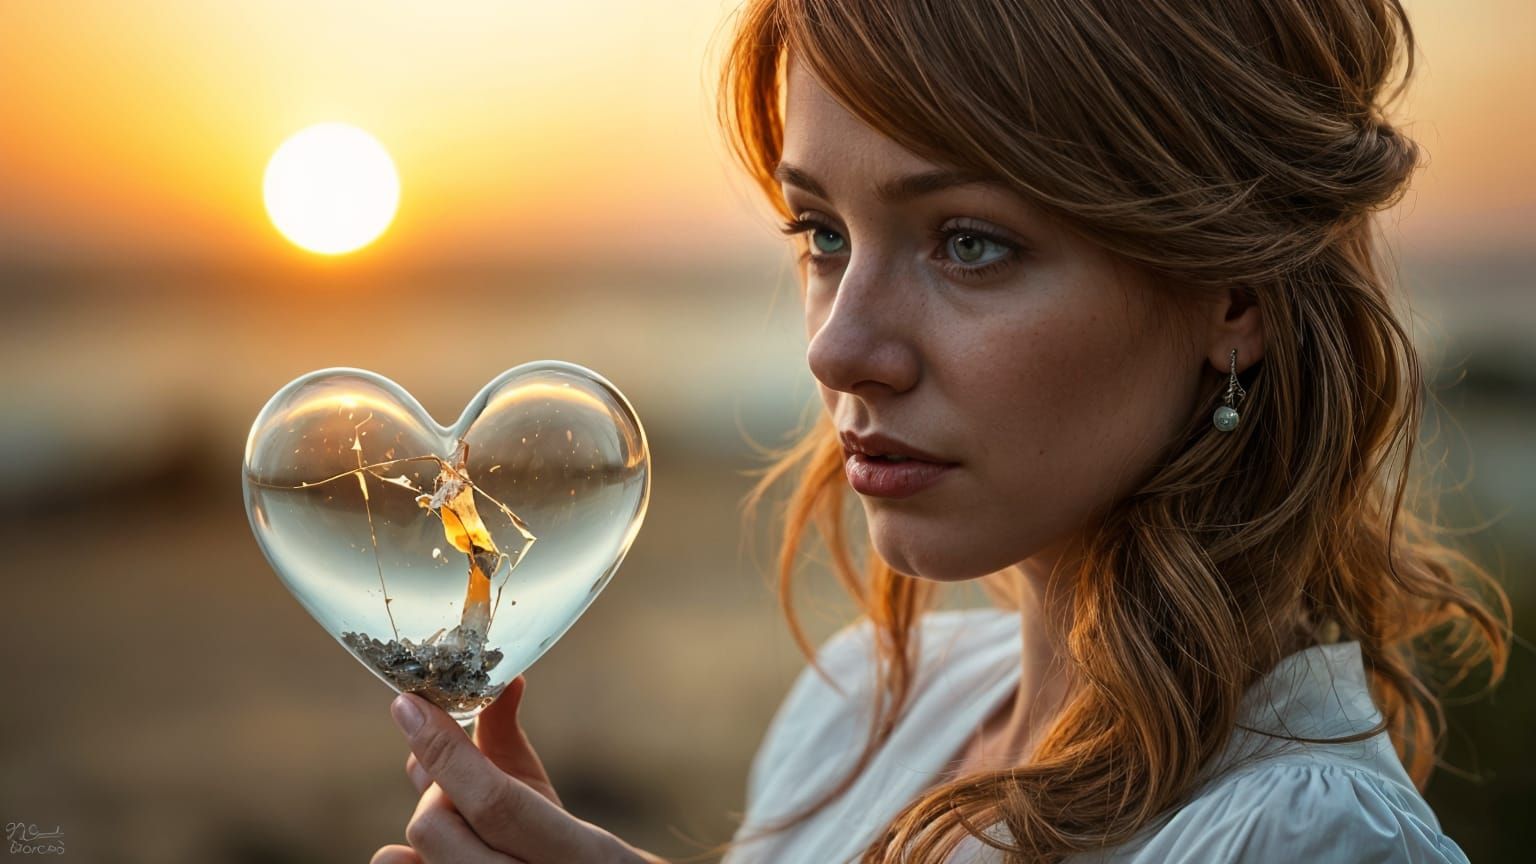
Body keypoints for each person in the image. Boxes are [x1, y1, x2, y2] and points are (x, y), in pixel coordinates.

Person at [369, 0, 1510, 862]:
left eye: (969, 242)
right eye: (821, 233)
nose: (837, 347)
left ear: (1235, 296)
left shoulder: (1308, 839)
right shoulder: (857, 712)